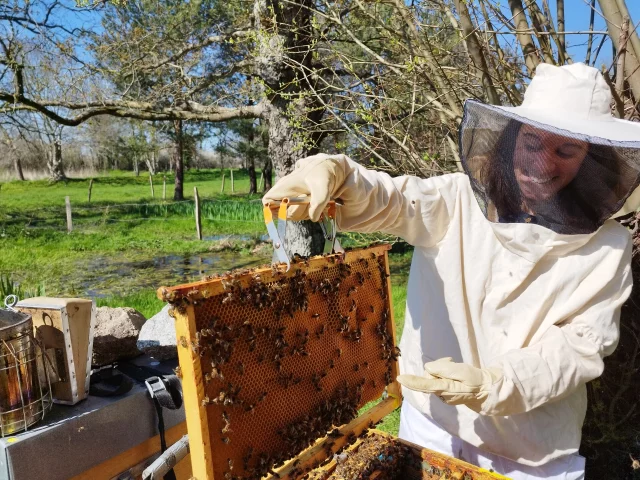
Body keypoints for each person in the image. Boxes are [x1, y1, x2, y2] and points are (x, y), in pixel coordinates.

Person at [262, 63, 640, 479]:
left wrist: (497, 383)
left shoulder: (607, 248)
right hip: (432, 425)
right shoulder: (456, 200)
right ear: (512, 136)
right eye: (532, 141)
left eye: (566, 151)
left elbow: (581, 345)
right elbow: (393, 200)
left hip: (531, 451)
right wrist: (341, 176)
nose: (543, 163)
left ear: (591, 159)